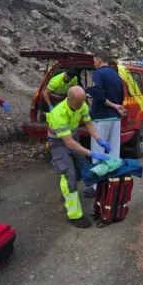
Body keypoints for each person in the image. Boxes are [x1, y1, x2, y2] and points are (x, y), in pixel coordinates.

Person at [47, 86, 116, 228]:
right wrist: (92, 153)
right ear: (69, 99)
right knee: (68, 174)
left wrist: (99, 139)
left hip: (72, 136)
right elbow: (68, 143)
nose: (81, 106)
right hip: (58, 142)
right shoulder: (58, 114)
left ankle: (78, 189)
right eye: (79, 103)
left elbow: (89, 123)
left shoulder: (81, 104)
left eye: (82, 102)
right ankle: (74, 215)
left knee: (84, 167)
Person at [86, 50, 125, 197]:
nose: (93, 63)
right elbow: (120, 95)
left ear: (99, 60)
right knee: (114, 151)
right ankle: (113, 183)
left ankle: (97, 187)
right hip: (115, 119)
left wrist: (112, 105)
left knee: (98, 152)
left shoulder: (98, 74)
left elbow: (98, 94)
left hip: (101, 118)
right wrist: (116, 107)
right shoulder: (116, 75)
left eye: (94, 60)